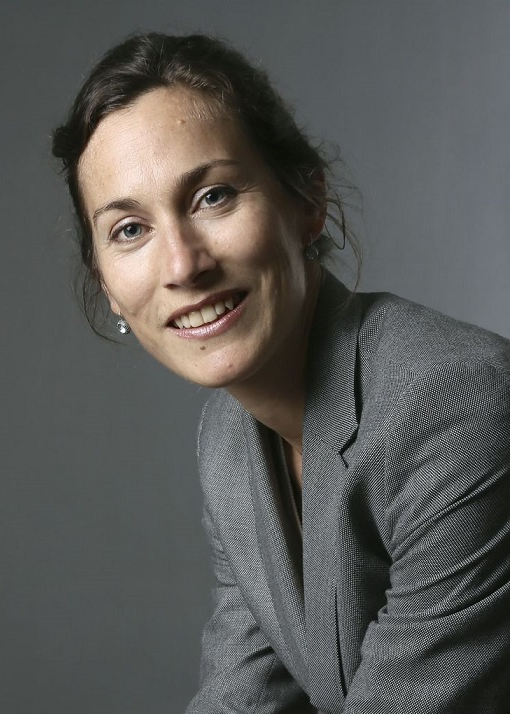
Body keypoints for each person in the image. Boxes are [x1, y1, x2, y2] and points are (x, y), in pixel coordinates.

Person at [51, 32, 510, 713]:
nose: (182, 266)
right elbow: (244, 696)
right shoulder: (228, 443)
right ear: (108, 287)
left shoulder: (453, 407)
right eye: (129, 230)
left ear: (306, 202)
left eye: (212, 196)